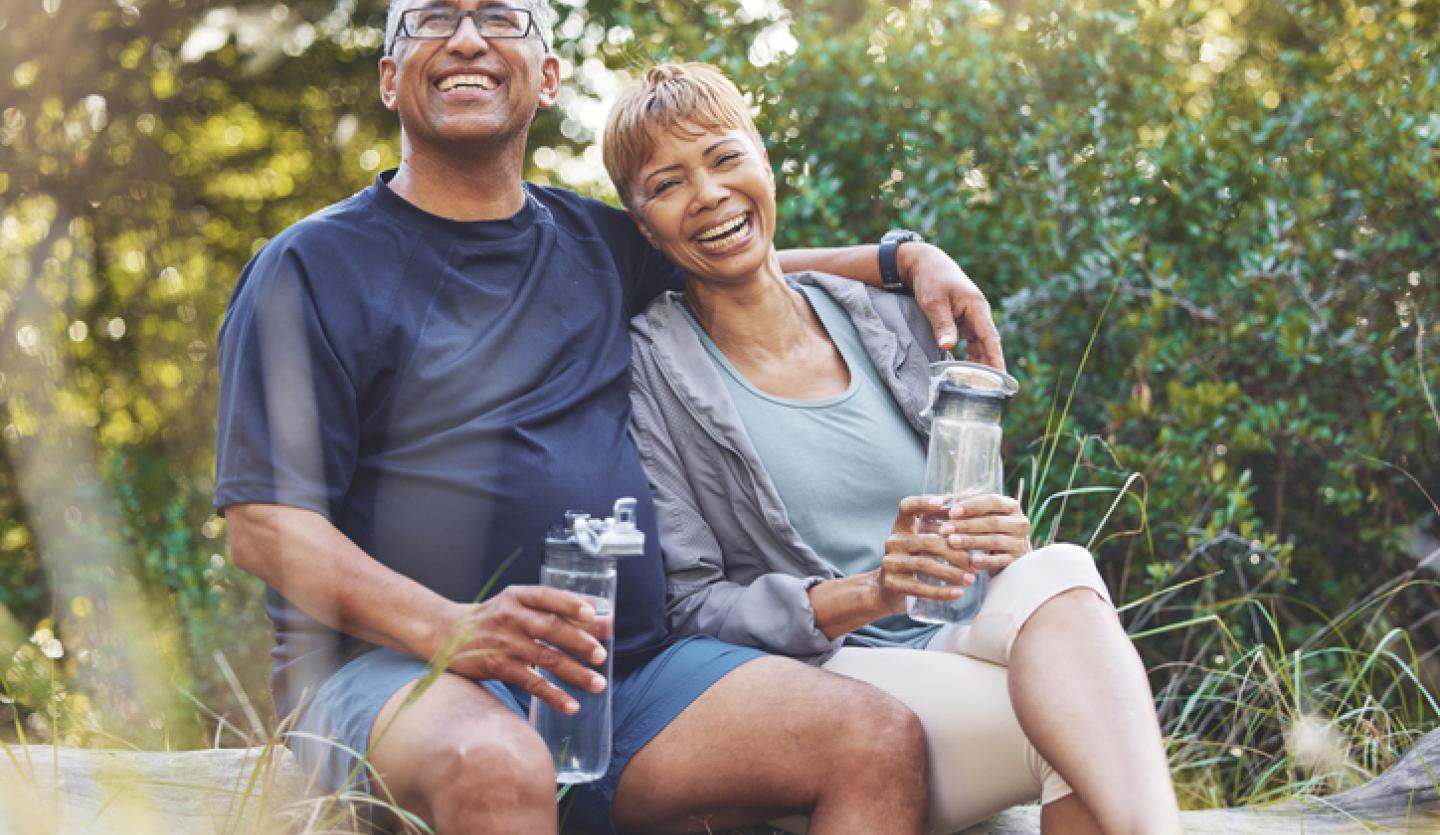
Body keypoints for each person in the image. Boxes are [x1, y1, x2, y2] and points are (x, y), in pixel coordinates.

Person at [214, 2, 1008, 833]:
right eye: (431, 20)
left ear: (549, 78)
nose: (467, 38)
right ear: (389, 79)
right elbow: (264, 526)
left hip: (624, 675)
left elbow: (736, 259)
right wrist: (456, 629)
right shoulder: (309, 267)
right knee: (498, 765)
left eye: (499, 17)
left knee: (872, 736)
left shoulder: (592, 243)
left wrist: (904, 257)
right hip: (398, 671)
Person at [606, 63, 1185, 835]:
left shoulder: (890, 318)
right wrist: (874, 589)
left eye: (723, 157)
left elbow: (975, 528)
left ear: (763, 161)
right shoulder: (650, 369)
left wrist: (999, 541)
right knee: (1076, 734)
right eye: (669, 183)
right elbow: (693, 605)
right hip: (829, 674)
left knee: (1063, 568)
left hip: (964, 631)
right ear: (644, 226)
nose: (709, 193)